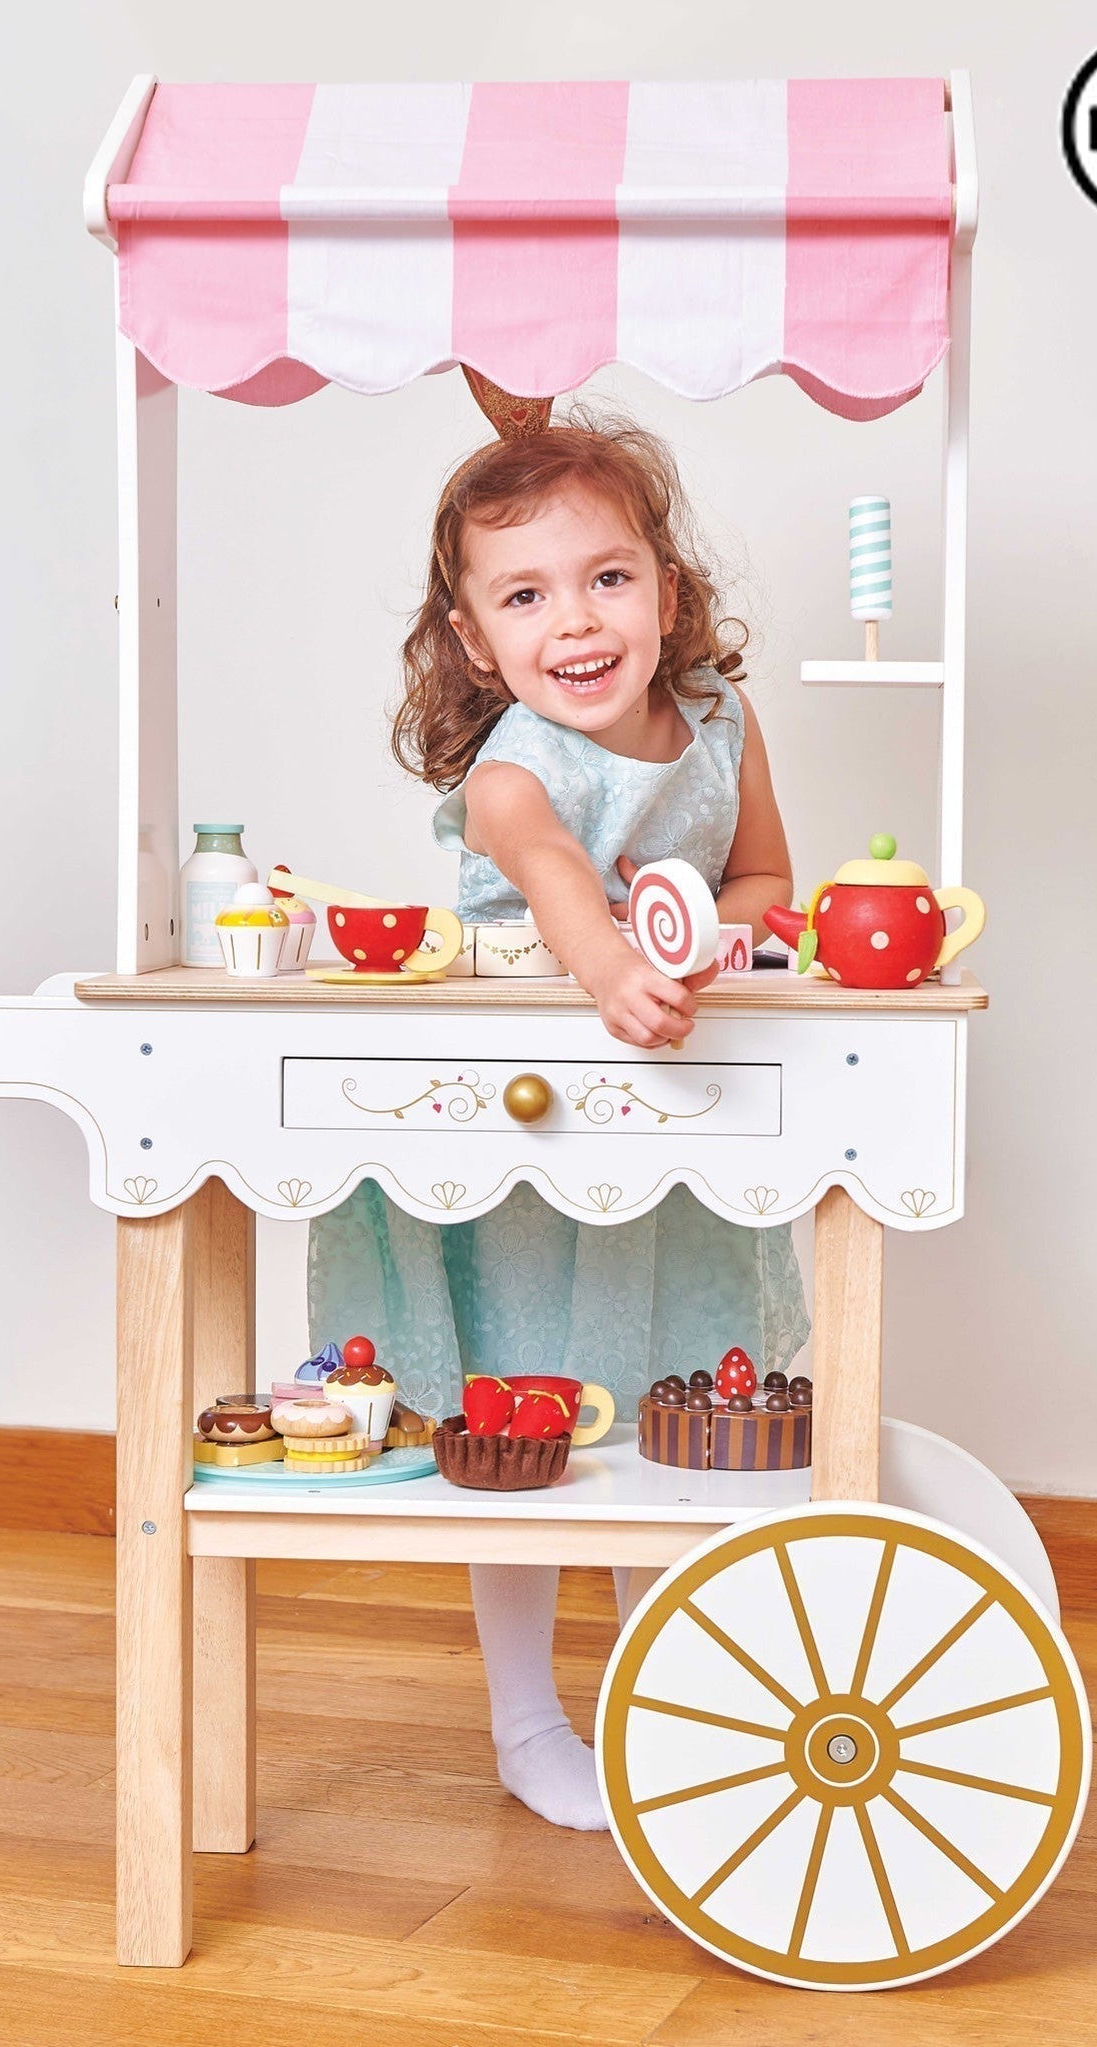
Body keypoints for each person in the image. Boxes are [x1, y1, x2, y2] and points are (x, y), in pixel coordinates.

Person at [309, 407, 809, 1828]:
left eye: (606, 578)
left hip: (669, 1111)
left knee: (662, 1415)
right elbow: (558, 888)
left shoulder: (721, 720)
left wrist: (718, 936)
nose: (575, 623)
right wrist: (613, 959)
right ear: (475, 641)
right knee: (531, 1428)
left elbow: (766, 878)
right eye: (524, 596)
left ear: (666, 586)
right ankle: (528, 1716)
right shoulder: (513, 772)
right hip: (526, 1139)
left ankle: (667, 1703)